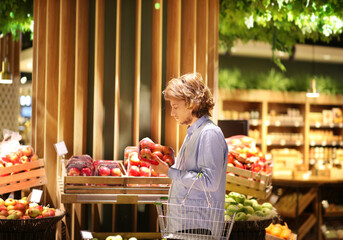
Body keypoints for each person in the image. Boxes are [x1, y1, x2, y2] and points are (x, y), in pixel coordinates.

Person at [151, 72, 228, 238]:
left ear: (192, 104)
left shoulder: (209, 134)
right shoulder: (194, 133)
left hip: (199, 229)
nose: (172, 113)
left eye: (175, 106)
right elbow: (192, 172)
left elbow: (209, 181)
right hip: (188, 226)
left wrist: (169, 172)